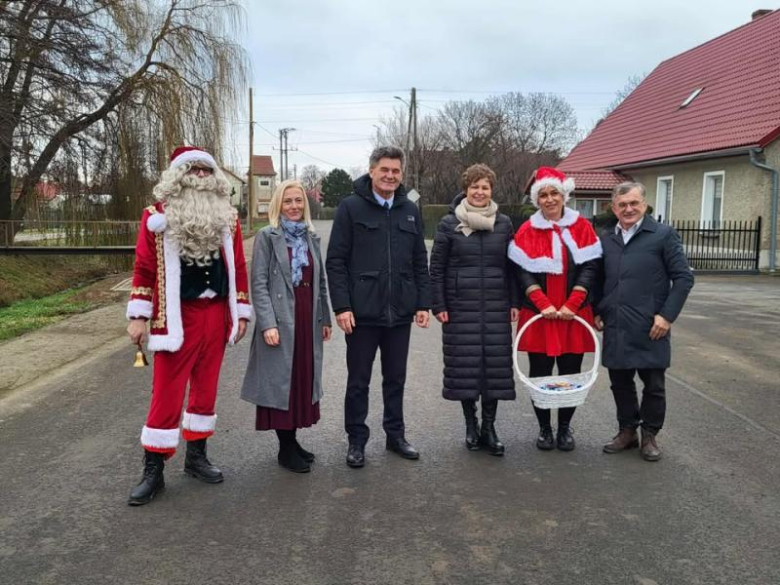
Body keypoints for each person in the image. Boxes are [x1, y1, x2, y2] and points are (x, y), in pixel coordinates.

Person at [126, 146, 252, 506]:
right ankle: (154, 468)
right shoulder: (156, 217)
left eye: (205, 170)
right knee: (167, 391)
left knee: (206, 387)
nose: (199, 176)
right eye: (192, 170)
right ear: (178, 176)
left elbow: (238, 266)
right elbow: (144, 269)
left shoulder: (227, 217)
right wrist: (138, 315)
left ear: (214, 176)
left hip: (216, 313)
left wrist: (241, 311)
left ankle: (196, 457)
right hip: (176, 314)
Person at [326, 146, 431, 469]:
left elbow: (418, 261)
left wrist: (422, 303)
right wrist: (342, 306)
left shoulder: (409, 209)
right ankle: (356, 440)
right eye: (384, 170)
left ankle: (395, 436)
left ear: (402, 175)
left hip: (399, 312)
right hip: (362, 313)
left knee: (395, 378)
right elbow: (336, 261)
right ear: (372, 171)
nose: (390, 176)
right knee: (359, 380)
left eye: (396, 171)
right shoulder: (351, 208)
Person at [596, 181, 693, 461]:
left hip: (652, 324)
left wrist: (667, 316)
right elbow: (599, 279)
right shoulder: (606, 239)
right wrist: (597, 309)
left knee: (654, 385)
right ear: (614, 208)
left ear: (644, 204)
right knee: (620, 382)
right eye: (622, 204)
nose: (628, 209)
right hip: (616, 324)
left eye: (634, 203)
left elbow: (684, 278)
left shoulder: (663, 235)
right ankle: (627, 431)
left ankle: (649, 435)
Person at [240, 180, 332, 473]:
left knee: (302, 379)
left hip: (307, 316)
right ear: (279, 205)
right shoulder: (268, 237)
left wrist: (325, 318)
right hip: (281, 319)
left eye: (299, 201)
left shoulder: (310, 237)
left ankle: (293, 443)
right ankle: (285, 448)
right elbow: (259, 283)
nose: (294, 206)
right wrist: (267, 323)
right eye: (288, 201)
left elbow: (321, 281)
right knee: (283, 383)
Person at [508, 167, 602, 452]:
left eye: (554, 194)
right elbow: (521, 271)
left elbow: (591, 266)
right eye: (544, 195)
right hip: (539, 314)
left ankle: (564, 428)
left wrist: (573, 303)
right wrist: (542, 303)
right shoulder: (527, 229)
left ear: (564, 196)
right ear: (537, 200)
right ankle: (544, 429)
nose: (549, 200)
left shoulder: (582, 227)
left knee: (571, 375)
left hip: (574, 314)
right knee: (540, 374)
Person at [429, 164, 518, 456]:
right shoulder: (448, 224)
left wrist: (515, 302)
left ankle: (489, 428)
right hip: (459, 307)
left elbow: (513, 267)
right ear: (466, 190)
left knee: (493, 368)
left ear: (492, 190)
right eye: (474, 187)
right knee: (464, 368)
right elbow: (437, 269)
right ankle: (470, 424)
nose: (480, 192)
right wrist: (439, 304)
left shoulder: (504, 223)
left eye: (485, 187)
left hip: (496, 305)